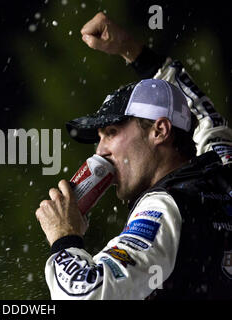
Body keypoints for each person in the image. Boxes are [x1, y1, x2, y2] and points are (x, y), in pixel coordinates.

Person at [35, 12, 232, 300]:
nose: (99, 151)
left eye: (111, 132)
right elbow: (204, 116)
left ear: (160, 131)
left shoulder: (164, 208)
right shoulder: (221, 168)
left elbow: (86, 294)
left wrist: (64, 238)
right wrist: (131, 49)